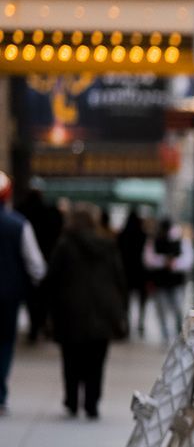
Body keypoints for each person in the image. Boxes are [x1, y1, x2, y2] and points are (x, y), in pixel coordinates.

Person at [46, 202, 126, 420]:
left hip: (70, 310)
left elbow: (52, 278)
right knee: (96, 360)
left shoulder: (64, 245)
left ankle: (72, 400)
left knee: (71, 358)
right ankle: (92, 402)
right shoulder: (107, 244)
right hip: (102, 309)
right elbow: (119, 278)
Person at [0, 173, 47, 415]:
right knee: (5, 343)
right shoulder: (19, 224)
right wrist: (37, 283)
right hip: (9, 294)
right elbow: (35, 263)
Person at [142, 216, 194, 341]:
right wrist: (163, 261)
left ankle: (180, 333)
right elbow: (148, 259)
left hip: (176, 282)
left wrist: (174, 264)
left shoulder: (181, 240)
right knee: (162, 310)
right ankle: (166, 335)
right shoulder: (154, 240)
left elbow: (189, 260)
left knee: (177, 308)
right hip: (160, 282)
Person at [23, 187, 62, 343]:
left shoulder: (22, 214)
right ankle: (40, 324)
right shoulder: (48, 214)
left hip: (26, 266)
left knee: (32, 300)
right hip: (45, 260)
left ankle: (35, 325)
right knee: (42, 298)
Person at [117, 207, 149, 339]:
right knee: (142, 299)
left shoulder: (122, 235)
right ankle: (140, 322)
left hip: (126, 272)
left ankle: (127, 324)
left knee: (126, 301)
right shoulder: (143, 235)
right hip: (141, 271)